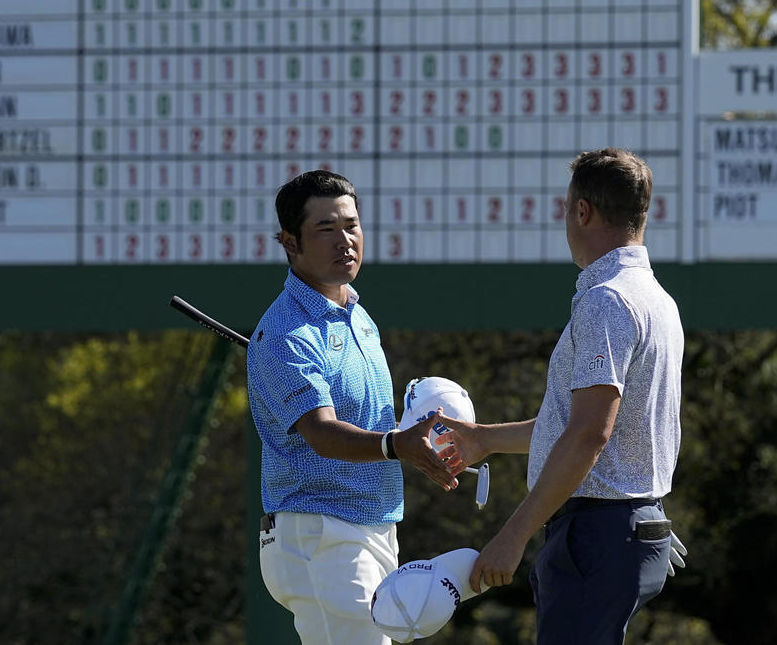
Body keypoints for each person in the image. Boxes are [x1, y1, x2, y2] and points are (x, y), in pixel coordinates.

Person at [439, 147, 684, 644]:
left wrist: (513, 535)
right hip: (629, 527)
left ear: (582, 211)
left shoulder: (607, 300)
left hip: (596, 536)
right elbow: (582, 426)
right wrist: (484, 439)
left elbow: (590, 434)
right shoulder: (656, 298)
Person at [247, 169, 461, 645]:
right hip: (320, 533)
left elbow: (368, 425)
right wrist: (395, 445)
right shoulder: (285, 333)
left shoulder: (358, 317)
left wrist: (414, 433)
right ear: (289, 242)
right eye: (325, 229)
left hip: (372, 527)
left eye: (351, 225)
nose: (345, 240)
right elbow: (322, 432)